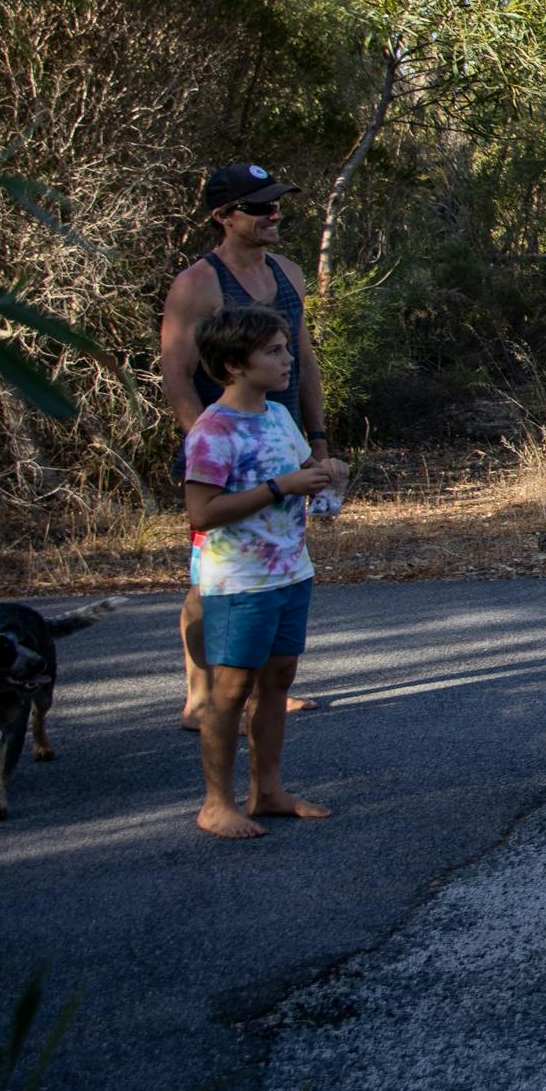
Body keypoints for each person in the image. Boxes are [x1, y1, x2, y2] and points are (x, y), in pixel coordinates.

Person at [160, 163, 328, 731]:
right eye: (259, 208)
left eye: (277, 205)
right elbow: (176, 374)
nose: (273, 215)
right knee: (210, 571)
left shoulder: (288, 273)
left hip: (279, 435)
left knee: (272, 562)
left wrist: (318, 440)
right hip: (224, 445)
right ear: (223, 217)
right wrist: (206, 444)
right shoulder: (199, 283)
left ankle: (262, 689)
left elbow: (302, 360)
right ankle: (200, 694)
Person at [179, 304, 348, 840]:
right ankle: (215, 803)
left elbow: (298, 477)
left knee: (277, 682)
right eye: (273, 352)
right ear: (233, 365)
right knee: (228, 692)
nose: (286, 361)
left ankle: (267, 790)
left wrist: (327, 476)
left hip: (290, 572)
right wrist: (281, 488)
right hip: (238, 581)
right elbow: (201, 512)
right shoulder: (211, 432)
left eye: (285, 348)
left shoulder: (278, 416)